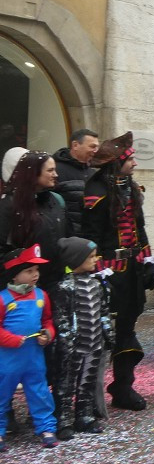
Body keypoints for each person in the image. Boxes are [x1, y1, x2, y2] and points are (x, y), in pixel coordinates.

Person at [83, 132, 154, 412]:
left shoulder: (131, 188)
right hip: (109, 273)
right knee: (99, 336)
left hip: (133, 271)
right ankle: (88, 395)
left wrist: (148, 262)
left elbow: (141, 228)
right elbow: (92, 238)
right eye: (131, 158)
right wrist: (99, 275)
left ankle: (123, 387)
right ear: (117, 164)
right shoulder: (96, 193)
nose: (135, 163)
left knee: (127, 329)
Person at [0, 152, 71, 431]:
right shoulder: (9, 206)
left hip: (50, 286)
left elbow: (63, 238)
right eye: (50, 170)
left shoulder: (55, 201)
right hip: (16, 292)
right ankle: (5, 414)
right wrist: (20, 275)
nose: (56, 174)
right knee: (10, 356)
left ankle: (40, 411)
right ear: (32, 173)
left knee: (47, 350)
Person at [0, 245, 58, 451]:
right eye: (29, 271)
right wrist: (11, 339)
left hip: (34, 357)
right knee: (2, 393)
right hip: (7, 360)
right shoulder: (3, 299)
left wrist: (48, 334)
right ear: (14, 275)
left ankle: (46, 427)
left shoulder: (42, 296)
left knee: (39, 391)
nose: (35, 275)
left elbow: (48, 320)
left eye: (37, 270)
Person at [55, 237, 110, 434]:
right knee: (67, 383)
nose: (96, 260)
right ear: (76, 259)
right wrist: (66, 340)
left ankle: (84, 415)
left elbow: (103, 311)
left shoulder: (96, 285)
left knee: (87, 381)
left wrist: (107, 333)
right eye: (91, 257)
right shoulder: (65, 287)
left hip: (94, 344)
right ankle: (63, 419)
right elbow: (61, 318)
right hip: (74, 346)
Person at [52, 129, 99, 236]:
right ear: (75, 145)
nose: (96, 150)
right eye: (92, 146)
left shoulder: (93, 173)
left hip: (91, 237)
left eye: (97, 147)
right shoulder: (55, 170)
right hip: (67, 237)